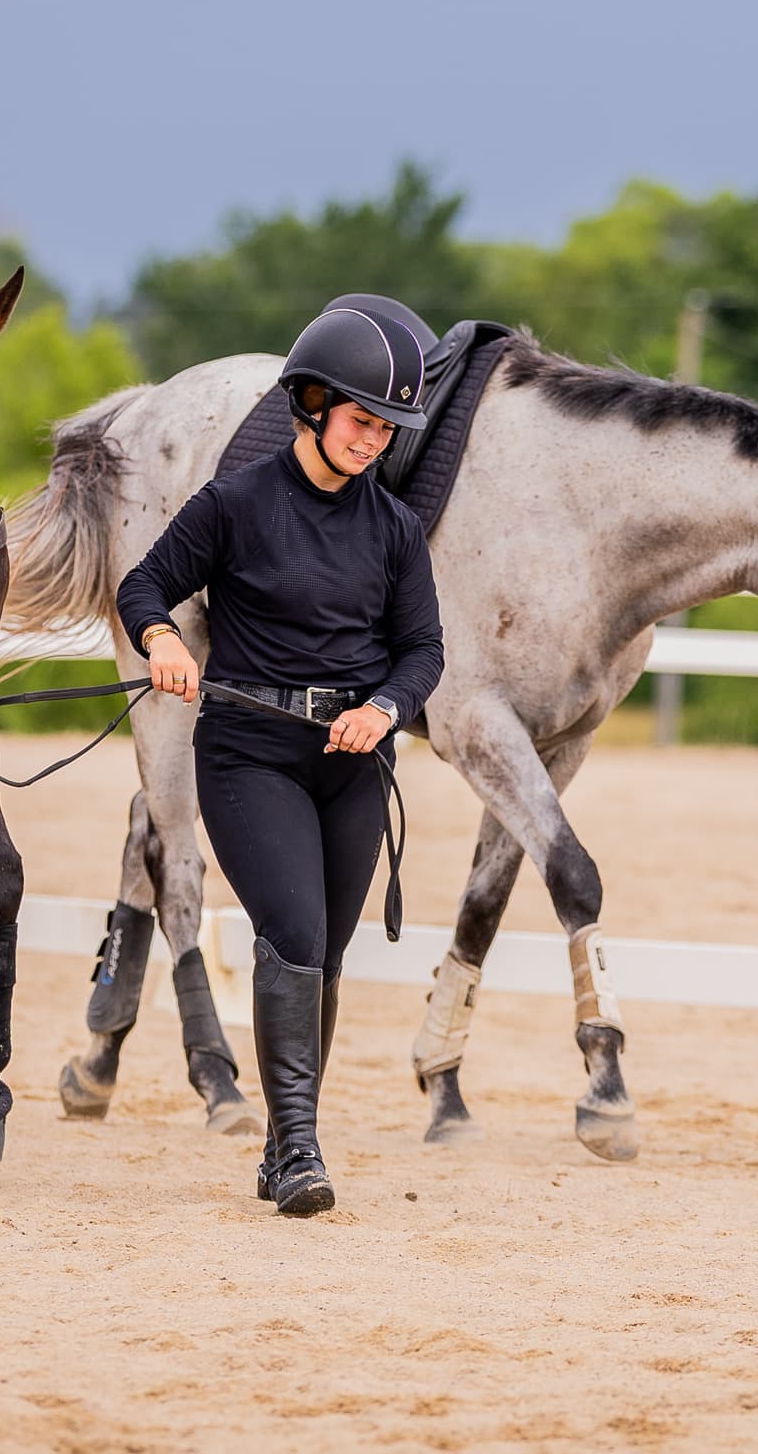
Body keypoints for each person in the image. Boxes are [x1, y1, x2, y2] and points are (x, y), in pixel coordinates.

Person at [116, 303, 445, 1216]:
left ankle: (280, 1142)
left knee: (326, 958)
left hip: (352, 763)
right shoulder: (235, 503)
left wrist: (386, 708)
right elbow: (143, 582)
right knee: (293, 933)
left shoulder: (394, 528)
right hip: (250, 754)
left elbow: (424, 650)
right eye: (361, 421)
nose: (374, 441)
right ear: (311, 401)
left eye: (386, 429)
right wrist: (161, 639)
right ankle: (300, 1146)